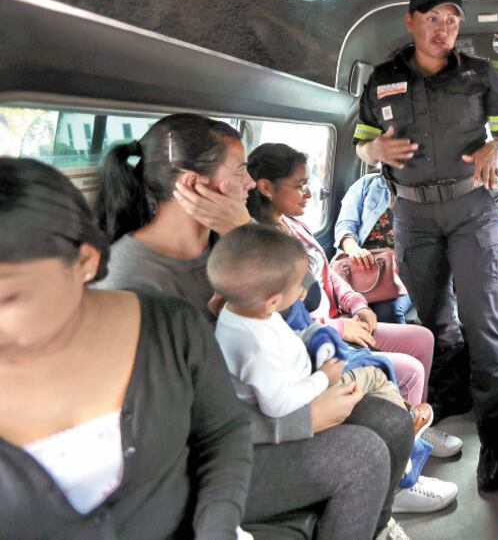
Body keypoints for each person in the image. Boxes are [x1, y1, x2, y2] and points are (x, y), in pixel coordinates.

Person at [92, 113, 417, 539]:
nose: (249, 182)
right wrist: (303, 420)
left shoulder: (225, 244)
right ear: (193, 185)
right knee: (363, 455)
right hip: (195, 464)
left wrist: (241, 229)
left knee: (391, 422)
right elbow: (164, 428)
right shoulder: (132, 280)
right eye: (240, 170)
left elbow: (309, 295)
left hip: (255, 402)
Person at [0, 158, 252, 538]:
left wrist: (218, 527)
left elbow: (223, 431)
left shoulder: (171, 327)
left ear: (84, 260)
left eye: (7, 298)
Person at [354, 0, 498, 491]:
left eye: (451, 20)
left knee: (483, 323)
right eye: (432, 19)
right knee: (431, 318)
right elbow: (361, 143)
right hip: (413, 215)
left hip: (472, 209)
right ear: (411, 20)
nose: (443, 29)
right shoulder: (381, 80)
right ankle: (448, 397)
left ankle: (495, 443)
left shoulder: (479, 74)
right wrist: (374, 152)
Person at [246, 143, 463, 463]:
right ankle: (401, 465)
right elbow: (286, 321)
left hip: (341, 317)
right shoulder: (262, 243)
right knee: (411, 370)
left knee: (423, 337)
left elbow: (327, 274)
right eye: (300, 185)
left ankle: (411, 424)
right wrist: (339, 326)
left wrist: (358, 305)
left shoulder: (292, 224)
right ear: (266, 187)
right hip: (317, 339)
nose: (308, 193)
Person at [209, 225, 414, 419]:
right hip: (303, 396)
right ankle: (408, 430)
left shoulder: (240, 309)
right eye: (299, 285)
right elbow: (278, 405)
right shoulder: (257, 348)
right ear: (272, 301)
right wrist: (324, 377)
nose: (304, 291)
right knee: (375, 375)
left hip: (302, 372)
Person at [333, 170, 415, 325]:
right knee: (346, 306)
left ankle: (397, 348)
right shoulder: (368, 184)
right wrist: (353, 250)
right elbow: (345, 226)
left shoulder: (425, 190)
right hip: (359, 268)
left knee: (388, 310)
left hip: (403, 272)